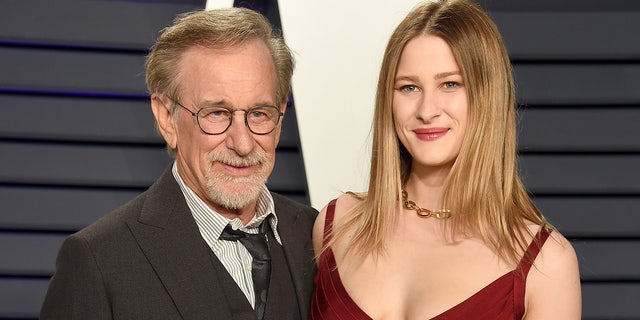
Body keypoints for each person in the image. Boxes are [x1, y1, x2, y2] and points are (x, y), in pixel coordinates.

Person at [40, 7, 317, 320]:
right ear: (166, 119)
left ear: (280, 117)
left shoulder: (318, 236)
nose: (242, 143)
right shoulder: (98, 260)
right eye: (216, 114)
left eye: (259, 113)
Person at [310, 0, 581, 319]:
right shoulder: (336, 224)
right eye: (409, 87)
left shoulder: (546, 263)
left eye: (450, 84)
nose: (427, 110)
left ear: (487, 96)